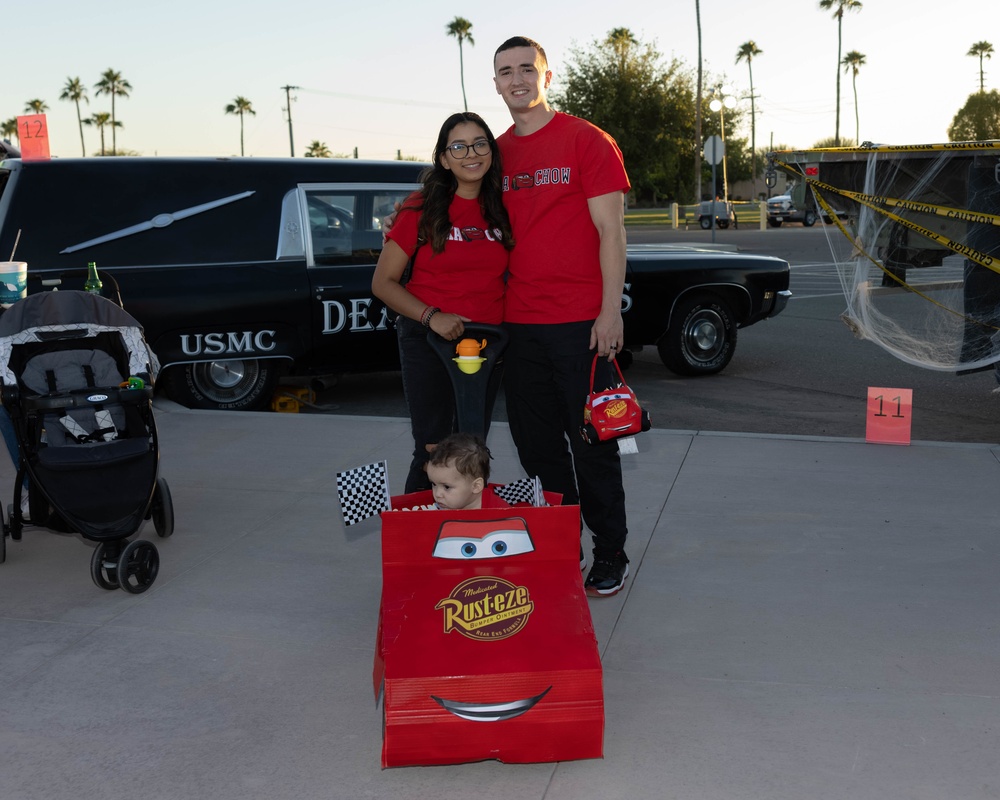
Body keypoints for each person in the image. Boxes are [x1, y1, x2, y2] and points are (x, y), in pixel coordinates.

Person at [492, 36, 632, 596]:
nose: (517, 78)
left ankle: (610, 553)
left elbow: (612, 232)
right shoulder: (495, 154)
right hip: (517, 328)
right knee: (536, 449)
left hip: (581, 325)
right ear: (496, 84)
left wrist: (608, 313)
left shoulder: (586, 141)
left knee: (592, 444)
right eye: (506, 71)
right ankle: (558, 544)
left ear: (547, 77)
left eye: (528, 68)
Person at [372, 112, 514, 494]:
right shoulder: (420, 208)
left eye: (480, 143)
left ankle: (463, 542)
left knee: (471, 451)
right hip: (428, 338)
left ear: (491, 151)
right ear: (444, 158)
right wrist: (431, 316)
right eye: (458, 146)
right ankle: (416, 544)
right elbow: (382, 283)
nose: (471, 153)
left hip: (486, 345)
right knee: (434, 450)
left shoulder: (504, 207)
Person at [426, 432, 511, 511]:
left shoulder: (499, 512)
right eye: (434, 484)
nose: (437, 494)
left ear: (475, 486)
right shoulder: (436, 509)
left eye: (447, 487)